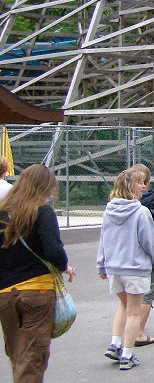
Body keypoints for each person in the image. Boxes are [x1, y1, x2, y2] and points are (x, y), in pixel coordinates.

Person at [0, 164, 76, 383]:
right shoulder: (42, 211)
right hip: (36, 290)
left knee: (17, 354)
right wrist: (63, 267)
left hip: (5, 292)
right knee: (32, 357)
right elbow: (53, 250)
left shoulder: (2, 212)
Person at [97, 167, 154, 370]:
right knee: (134, 312)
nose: (143, 187)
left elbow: (104, 239)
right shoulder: (140, 212)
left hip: (114, 268)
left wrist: (101, 264)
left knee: (124, 306)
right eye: (139, 183)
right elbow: (151, 242)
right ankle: (127, 355)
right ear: (130, 187)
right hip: (135, 268)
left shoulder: (108, 210)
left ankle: (115, 343)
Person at [132, 163, 154, 347]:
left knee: (129, 295)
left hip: (125, 256)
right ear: (147, 181)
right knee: (148, 293)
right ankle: (137, 332)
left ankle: (126, 329)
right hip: (148, 254)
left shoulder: (118, 202)